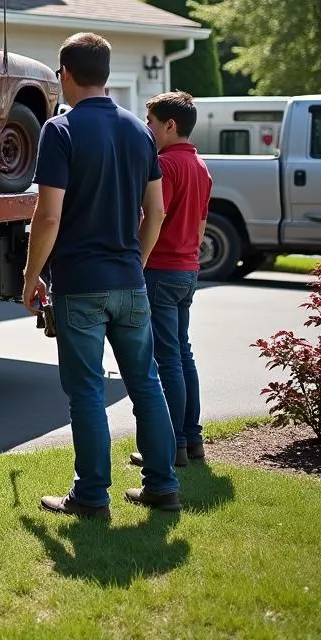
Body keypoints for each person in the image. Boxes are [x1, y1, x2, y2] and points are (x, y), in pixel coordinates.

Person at [21, 32, 181, 519]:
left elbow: (48, 217)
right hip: (130, 281)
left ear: (66, 73)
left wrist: (31, 276)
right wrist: (138, 259)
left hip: (80, 285)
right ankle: (162, 487)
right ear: (106, 73)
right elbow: (155, 212)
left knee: (87, 391)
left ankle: (91, 497)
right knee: (146, 383)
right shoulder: (139, 131)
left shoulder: (59, 130)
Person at [130, 91, 213, 470]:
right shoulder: (200, 165)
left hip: (160, 271)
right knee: (182, 352)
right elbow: (199, 225)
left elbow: (155, 215)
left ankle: (173, 444)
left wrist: (139, 261)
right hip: (187, 269)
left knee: (166, 359)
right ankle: (192, 438)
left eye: (150, 122)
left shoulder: (165, 164)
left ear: (170, 125)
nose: (148, 128)